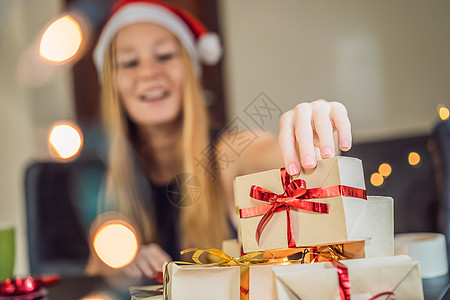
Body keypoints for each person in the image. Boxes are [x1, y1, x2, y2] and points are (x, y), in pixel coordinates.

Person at [86, 0, 352, 289]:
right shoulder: (98, 170)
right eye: (129, 62)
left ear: (190, 69)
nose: (149, 72)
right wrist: (127, 266)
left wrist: (307, 136)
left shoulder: (228, 149)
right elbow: (97, 270)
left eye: (164, 56)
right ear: (112, 83)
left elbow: (270, 155)